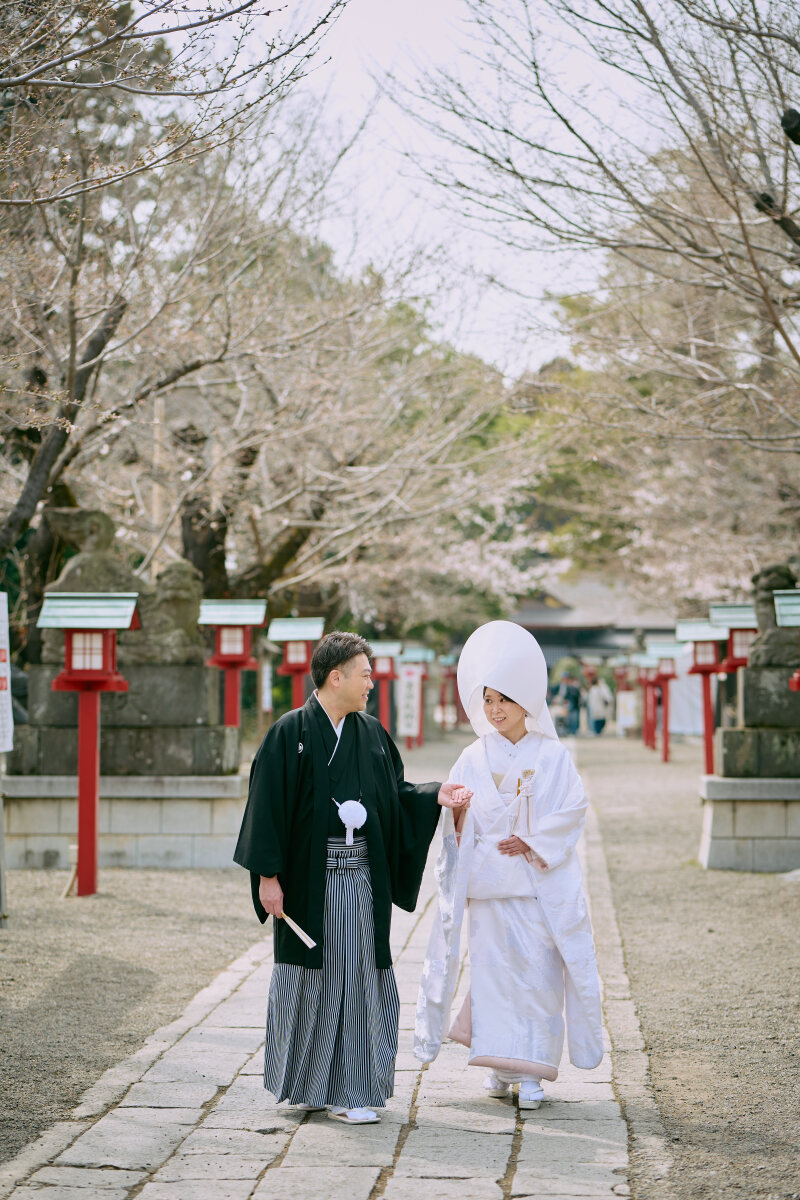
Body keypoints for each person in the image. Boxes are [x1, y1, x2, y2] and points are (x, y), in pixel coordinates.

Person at [234, 631, 471, 1125]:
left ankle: (353, 1089)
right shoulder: (290, 732)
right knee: (311, 978)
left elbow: (395, 795)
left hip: (361, 881)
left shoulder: (370, 733)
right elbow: (267, 808)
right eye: (363, 673)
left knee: (359, 977)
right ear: (334, 676)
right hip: (308, 883)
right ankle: (310, 1083)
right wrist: (267, 878)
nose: (370, 682)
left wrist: (433, 795)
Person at [414, 621, 603, 1110]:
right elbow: (453, 815)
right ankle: (500, 1066)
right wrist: (455, 811)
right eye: (489, 700)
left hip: (536, 887)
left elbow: (573, 809)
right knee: (495, 978)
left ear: (526, 703)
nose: (495, 710)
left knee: (538, 977)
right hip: (490, 889)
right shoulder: (472, 756)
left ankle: (533, 1073)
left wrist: (534, 840)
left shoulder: (553, 756)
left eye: (505, 700)